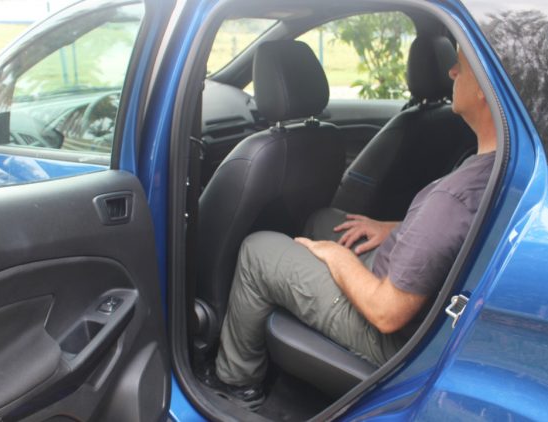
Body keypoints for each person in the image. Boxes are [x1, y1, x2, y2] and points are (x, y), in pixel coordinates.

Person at [198, 47, 498, 411]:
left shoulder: (454, 197)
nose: (450, 71)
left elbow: (387, 313)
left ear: (484, 89)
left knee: (257, 250)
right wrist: (396, 228)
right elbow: (462, 230)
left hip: (396, 334)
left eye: (460, 65)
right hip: (420, 296)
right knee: (322, 219)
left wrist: (339, 260)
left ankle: (236, 383)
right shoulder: (497, 166)